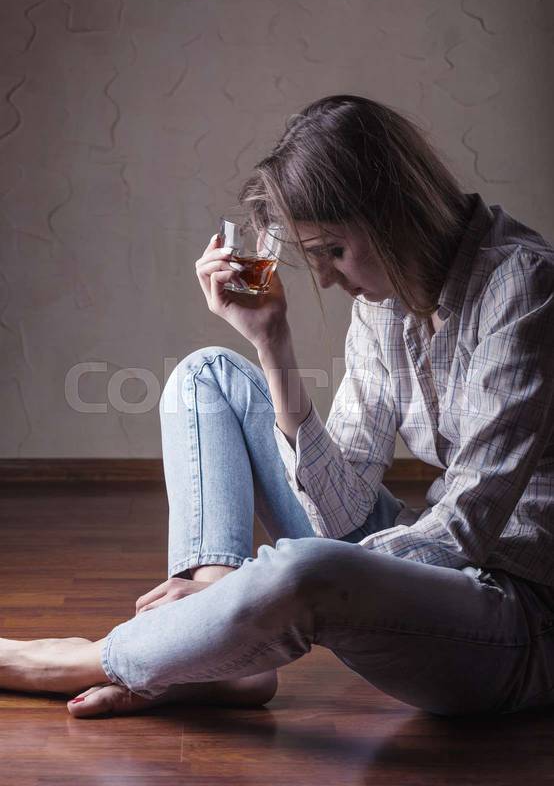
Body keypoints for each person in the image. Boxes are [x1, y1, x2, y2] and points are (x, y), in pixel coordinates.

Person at [1, 94, 553, 720]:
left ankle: (83, 659)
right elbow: (339, 502)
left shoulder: (524, 287)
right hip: (442, 567)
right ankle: (221, 663)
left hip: (517, 621)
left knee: (303, 570)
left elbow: (461, 531)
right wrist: (273, 341)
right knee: (205, 376)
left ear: (393, 212)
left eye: (334, 250)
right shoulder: (385, 299)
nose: (326, 279)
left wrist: (249, 592)